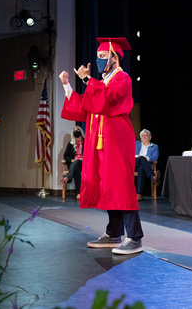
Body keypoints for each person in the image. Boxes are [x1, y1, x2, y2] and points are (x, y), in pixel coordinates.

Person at [59, 37, 144, 255]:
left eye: (102, 57)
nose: (98, 61)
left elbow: (108, 99)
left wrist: (88, 81)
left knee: (121, 185)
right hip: (101, 140)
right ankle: (113, 234)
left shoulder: (122, 79)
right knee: (108, 186)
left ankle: (135, 238)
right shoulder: (103, 82)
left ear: (115, 58)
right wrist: (68, 86)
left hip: (116, 138)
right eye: (97, 57)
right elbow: (85, 107)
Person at [134, 129, 159, 201]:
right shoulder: (136, 144)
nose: (144, 137)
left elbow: (155, 157)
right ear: (140, 138)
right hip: (134, 163)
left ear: (150, 137)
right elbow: (128, 152)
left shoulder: (154, 146)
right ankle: (152, 176)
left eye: (146, 135)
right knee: (141, 158)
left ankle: (139, 194)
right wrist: (137, 157)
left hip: (144, 166)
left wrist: (146, 158)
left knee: (141, 168)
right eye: (142, 136)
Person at [62, 126, 84, 199]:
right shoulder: (71, 144)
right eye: (74, 131)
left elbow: (91, 154)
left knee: (77, 163)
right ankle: (79, 193)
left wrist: (83, 158)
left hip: (84, 163)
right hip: (75, 164)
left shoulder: (86, 142)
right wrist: (72, 160)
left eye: (77, 130)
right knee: (77, 167)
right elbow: (65, 156)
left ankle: (68, 177)